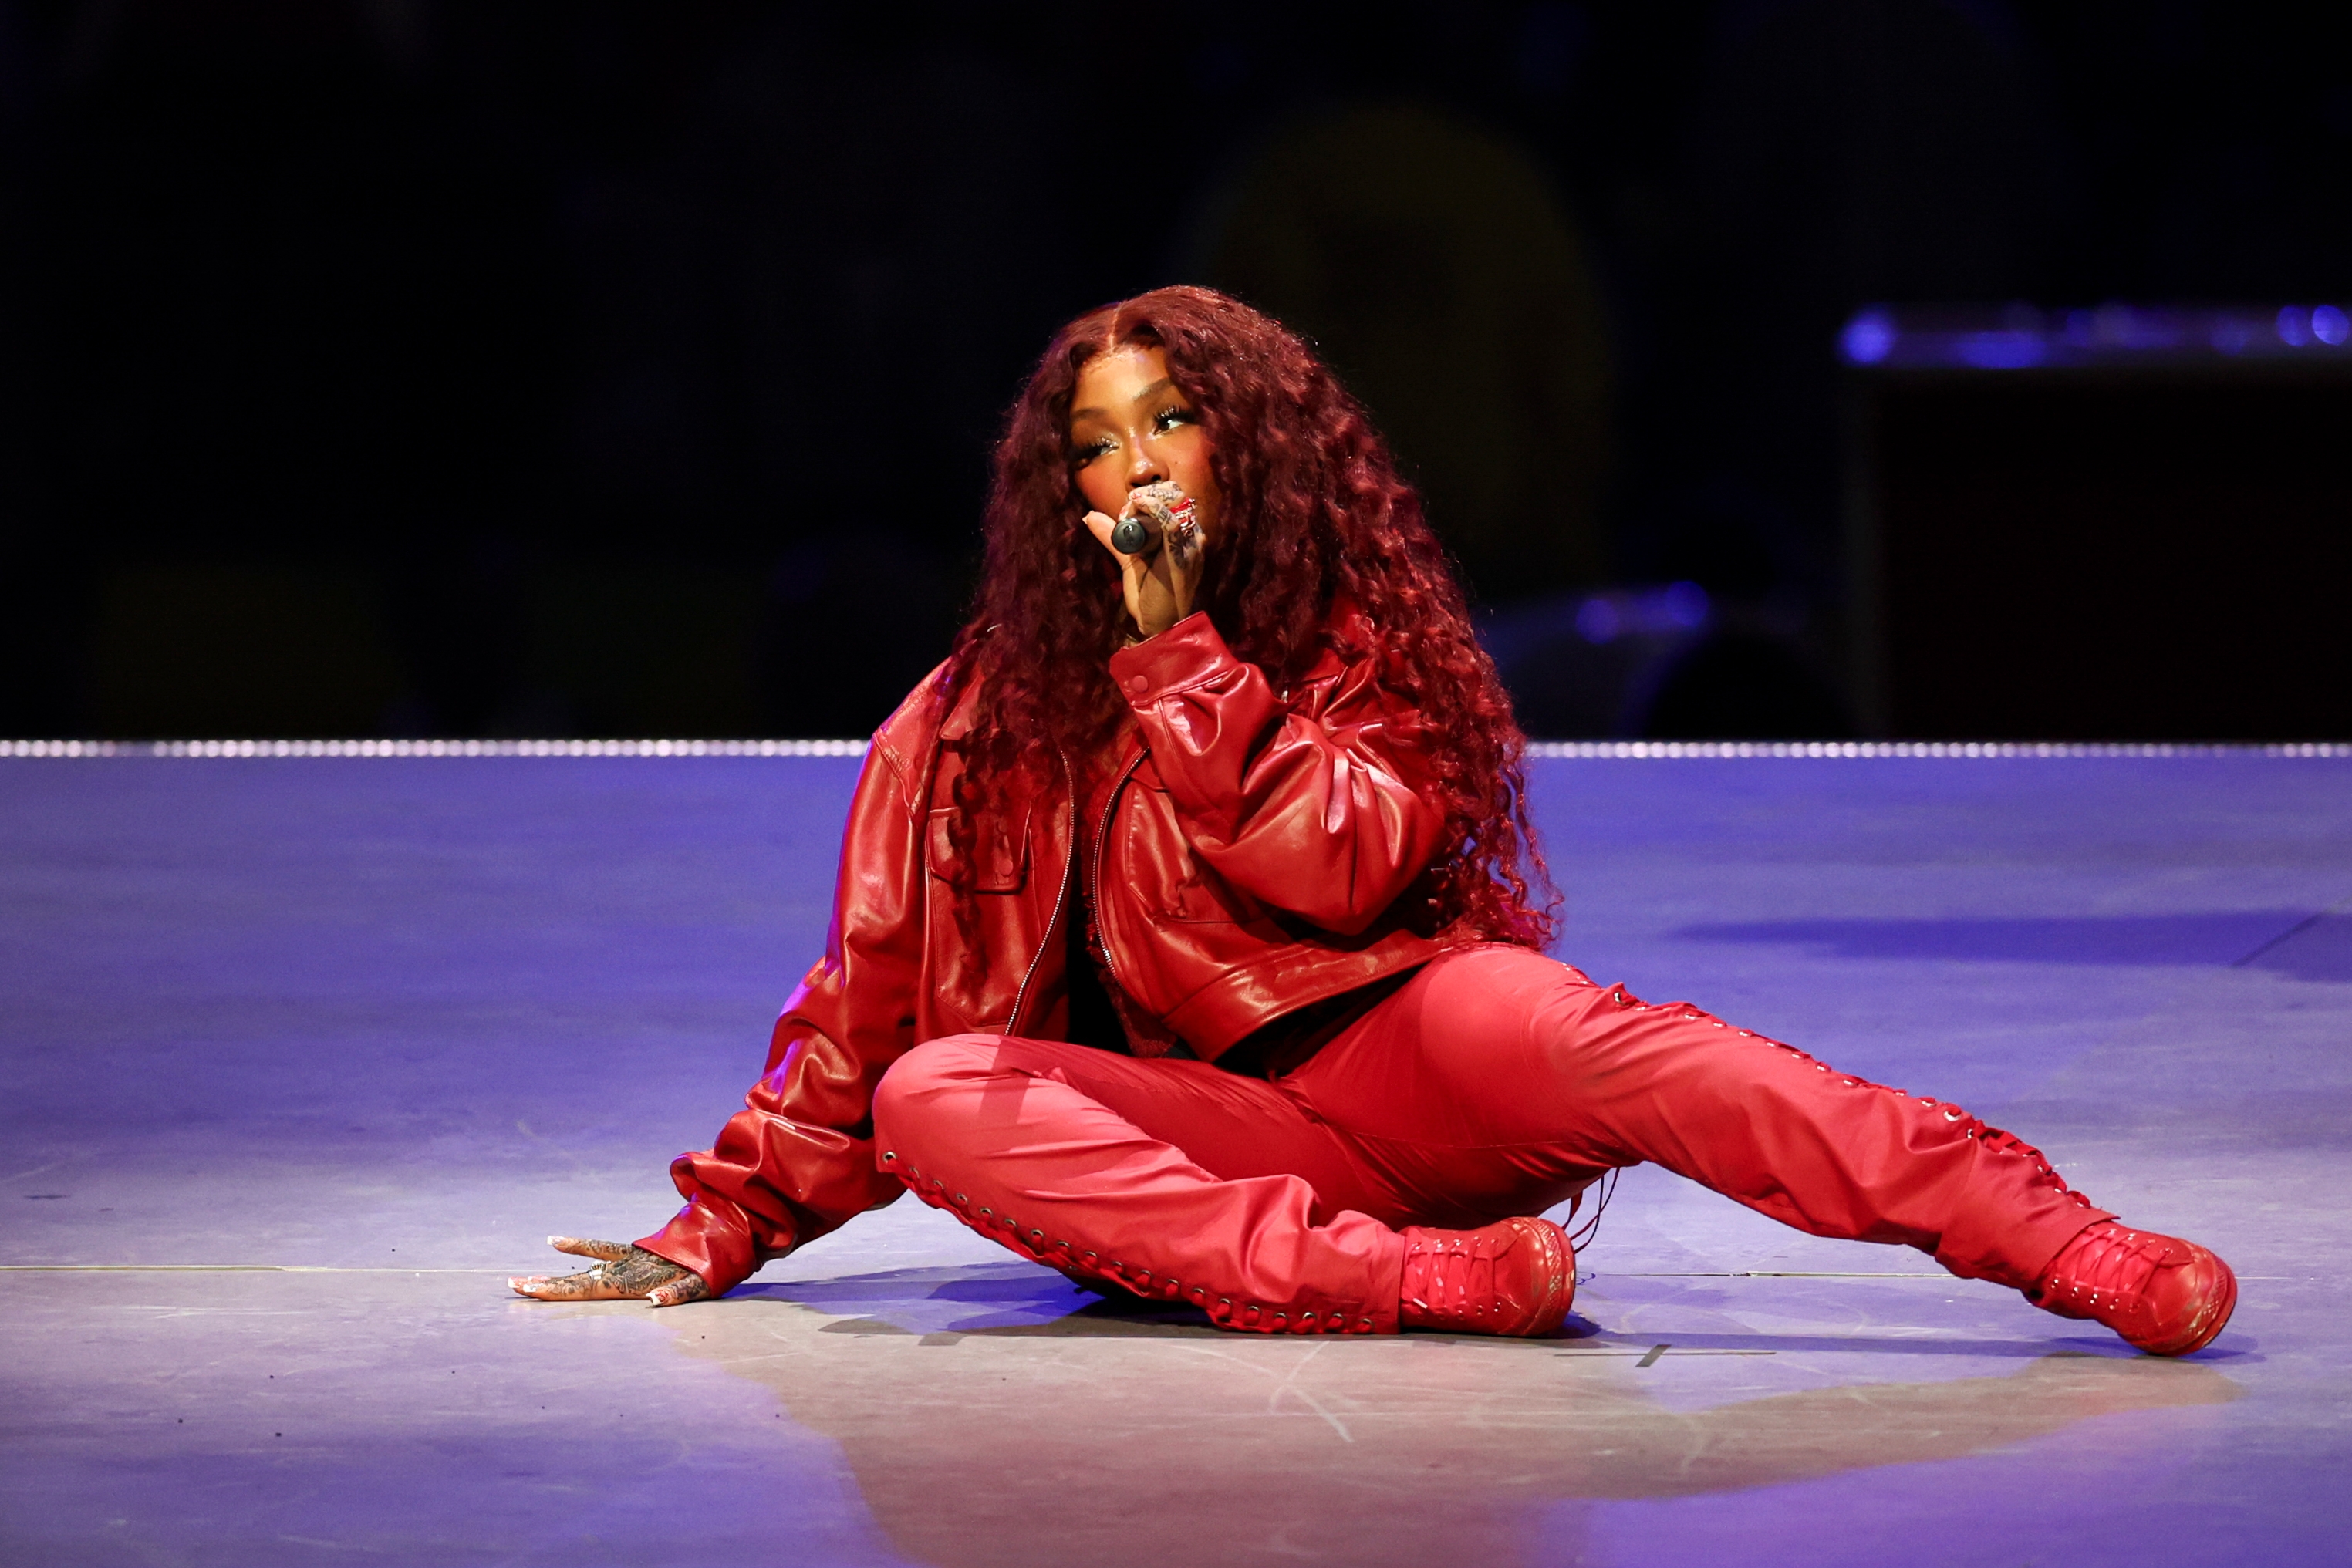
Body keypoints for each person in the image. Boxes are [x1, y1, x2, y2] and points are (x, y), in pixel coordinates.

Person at [511, 287, 2234, 1354]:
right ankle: (1413, 1285)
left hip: (1407, 1049)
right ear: (1063, 490)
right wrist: (712, 1228)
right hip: (1210, 1148)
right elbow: (861, 1013)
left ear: (1244, 444)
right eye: (1100, 444)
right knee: (935, 1095)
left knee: (1659, 1057)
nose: (1141, 466)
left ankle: (2065, 1245)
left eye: (1173, 419)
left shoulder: (1348, 639)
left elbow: (1344, 866)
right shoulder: (960, 726)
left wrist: (1183, 661)